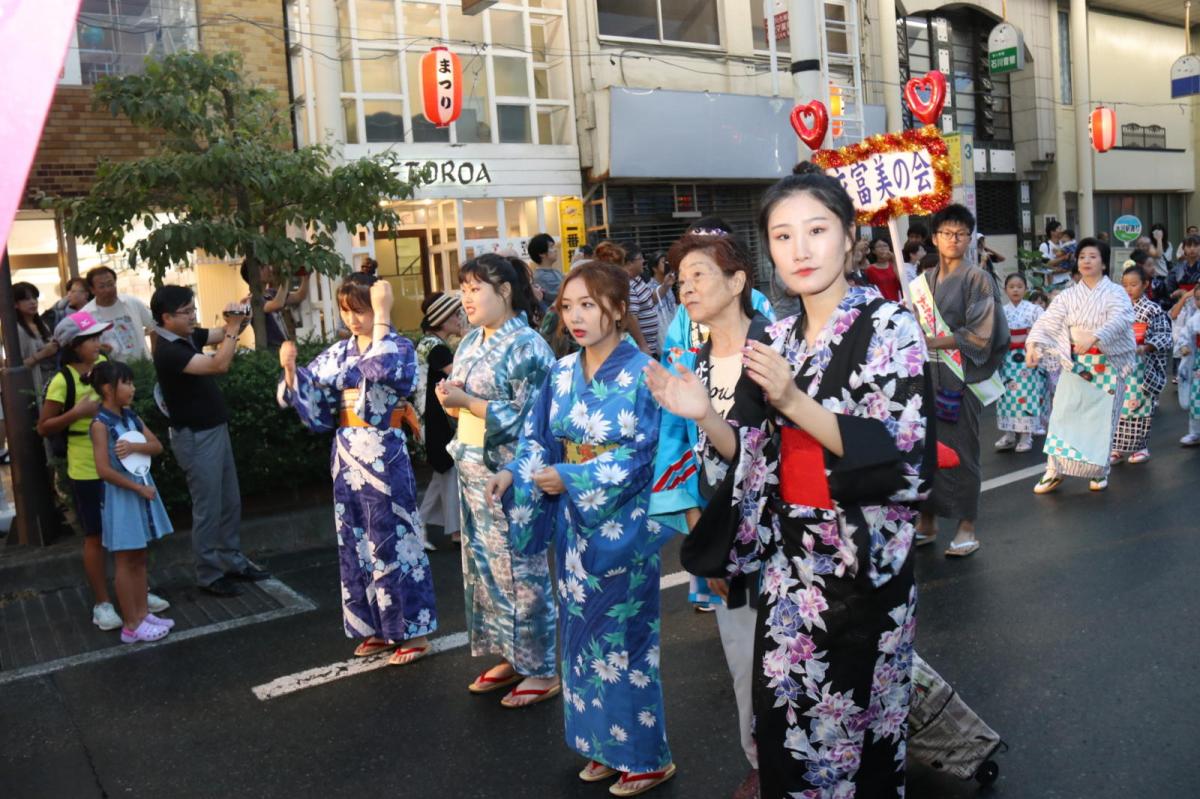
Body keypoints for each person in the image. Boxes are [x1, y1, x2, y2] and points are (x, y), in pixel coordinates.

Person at [654, 162, 927, 798]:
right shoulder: (775, 336)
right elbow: (752, 454)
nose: (799, 250)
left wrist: (795, 400)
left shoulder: (889, 326)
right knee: (787, 737)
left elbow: (902, 455)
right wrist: (707, 416)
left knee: (857, 740)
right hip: (788, 572)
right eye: (782, 236)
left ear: (850, 236)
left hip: (860, 571)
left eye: (816, 230)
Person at [491, 261, 678, 797]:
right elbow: (536, 440)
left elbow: (645, 453)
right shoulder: (561, 372)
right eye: (568, 306)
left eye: (588, 305)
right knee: (582, 643)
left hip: (622, 524)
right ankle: (602, 747)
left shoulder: (645, 373)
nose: (575, 317)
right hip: (576, 525)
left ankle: (645, 756)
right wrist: (514, 473)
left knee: (625, 643)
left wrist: (571, 476)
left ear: (618, 309)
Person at [646, 228, 771, 799]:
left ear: (739, 281)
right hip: (727, 539)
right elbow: (677, 454)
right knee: (744, 657)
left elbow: (781, 453)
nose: (685, 286)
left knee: (808, 657)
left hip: (789, 536)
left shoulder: (776, 348)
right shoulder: (688, 361)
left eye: (700, 274)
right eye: (681, 277)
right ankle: (762, 760)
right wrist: (707, 546)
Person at [279, 276, 436, 663]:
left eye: (361, 309)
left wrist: (382, 313)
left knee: (394, 539)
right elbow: (312, 400)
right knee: (356, 542)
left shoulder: (399, 346)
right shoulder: (339, 352)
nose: (353, 319)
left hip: (385, 452)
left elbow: (383, 368)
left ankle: (412, 632)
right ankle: (377, 627)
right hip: (347, 453)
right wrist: (290, 371)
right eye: (347, 310)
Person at [437, 253, 559, 707]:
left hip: (511, 473)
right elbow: (465, 403)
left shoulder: (527, 346)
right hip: (472, 468)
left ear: (504, 291)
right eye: (463, 290)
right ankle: (511, 655)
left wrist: (468, 401)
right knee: (484, 569)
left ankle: (541, 666)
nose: (466, 299)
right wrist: (453, 401)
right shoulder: (470, 343)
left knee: (520, 569)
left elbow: (536, 419)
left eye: (476, 289)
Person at [37, 311, 170, 630]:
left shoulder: (104, 373)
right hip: (87, 469)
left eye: (98, 337)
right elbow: (43, 426)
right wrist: (76, 413)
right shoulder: (62, 379)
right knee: (96, 536)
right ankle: (103, 603)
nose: (98, 343)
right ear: (74, 345)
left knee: (132, 533)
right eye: (92, 338)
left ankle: (138, 594)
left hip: (123, 467)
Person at [151, 285, 268, 596]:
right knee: (208, 508)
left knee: (230, 501)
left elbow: (221, 334)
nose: (193, 316)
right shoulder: (168, 350)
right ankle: (209, 574)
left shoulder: (184, 336)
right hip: (195, 437)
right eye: (186, 312)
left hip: (213, 429)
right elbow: (219, 364)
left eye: (193, 309)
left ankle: (232, 560)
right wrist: (232, 328)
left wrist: (239, 316)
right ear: (166, 318)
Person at [914, 204, 1008, 558]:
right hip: (927, 377)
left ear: (970, 239)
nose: (954, 240)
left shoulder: (977, 278)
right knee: (925, 451)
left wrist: (934, 342)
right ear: (935, 238)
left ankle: (967, 525)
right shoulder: (923, 282)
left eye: (961, 234)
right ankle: (927, 520)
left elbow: (981, 333)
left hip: (961, 377)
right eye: (947, 233)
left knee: (961, 452)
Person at [1027, 238, 1136, 493]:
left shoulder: (1115, 292)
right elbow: (1048, 321)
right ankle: (1054, 470)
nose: (1086, 261)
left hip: (1107, 364)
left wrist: (1096, 336)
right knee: (1063, 416)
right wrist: (1034, 345)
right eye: (1082, 256)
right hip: (1076, 364)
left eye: (1093, 256)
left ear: (1104, 262)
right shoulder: (1068, 295)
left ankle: (1099, 471)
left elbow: (1122, 317)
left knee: (1101, 420)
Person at [87, 359, 175, 643]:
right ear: (107, 389)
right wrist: (137, 490)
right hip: (123, 496)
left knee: (139, 556)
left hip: (140, 490)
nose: (132, 388)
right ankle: (132, 623)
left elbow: (157, 446)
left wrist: (136, 446)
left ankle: (141, 612)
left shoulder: (131, 417)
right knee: (125, 559)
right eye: (126, 383)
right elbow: (103, 470)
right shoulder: (99, 425)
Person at [414, 291, 465, 548]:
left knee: (441, 474)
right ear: (442, 319)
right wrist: (469, 339)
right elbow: (458, 374)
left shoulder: (429, 343)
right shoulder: (436, 347)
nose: (460, 318)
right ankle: (457, 532)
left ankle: (418, 526)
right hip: (437, 421)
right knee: (448, 469)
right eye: (455, 314)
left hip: (431, 419)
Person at [1111, 265, 1172, 464]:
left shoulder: (1153, 309)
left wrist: (1146, 347)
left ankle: (1141, 447)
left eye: (1134, 284)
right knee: (1117, 404)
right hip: (1120, 364)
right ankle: (1116, 448)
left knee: (1140, 406)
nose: (1128, 289)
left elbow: (1165, 337)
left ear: (1145, 285)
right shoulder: (1117, 308)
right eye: (1125, 285)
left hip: (1143, 366)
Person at [995, 273, 1045, 453]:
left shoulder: (1034, 310)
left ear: (1026, 289)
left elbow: (1042, 332)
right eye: (1011, 287)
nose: (1015, 290)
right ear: (1005, 290)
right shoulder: (1001, 311)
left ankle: (1026, 436)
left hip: (1027, 356)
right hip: (1007, 359)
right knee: (1006, 396)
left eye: (1019, 286)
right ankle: (1009, 434)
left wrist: (1036, 351)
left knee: (1027, 396)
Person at [82, 267, 155, 361]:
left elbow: (155, 324)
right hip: (111, 371)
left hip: (144, 366)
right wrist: (100, 349)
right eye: (102, 286)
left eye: (110, 284)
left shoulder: (131, 302)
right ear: (92, 290)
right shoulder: (86, 315)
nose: (108, 290)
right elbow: (84, 347)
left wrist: (155, 353)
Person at [593, 242, 654, 355]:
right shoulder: (618, 285)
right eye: (623, 264)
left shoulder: (605, 284)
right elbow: (630, 316)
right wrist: (643, 345)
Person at [241, 260, 310, 350]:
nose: (269, 269)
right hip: (271, 352)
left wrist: (306, 277)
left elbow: (299, 296)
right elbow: (278, 304)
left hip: (283, 348)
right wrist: (285, 275)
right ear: (253, 275)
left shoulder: (271, 293)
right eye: (263, 268)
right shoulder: (252, 300)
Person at [13, 282, 59, 394]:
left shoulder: (42, 324)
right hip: (34, 386)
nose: (33, 302)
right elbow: (16, 367)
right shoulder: (17, 330)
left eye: (34, 298)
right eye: (26, 299)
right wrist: (43, 353)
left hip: (53, 380)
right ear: (15, 304)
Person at [1174, 285, 1200, 446]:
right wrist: (1183, 346)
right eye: (1197, 298)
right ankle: (1195, 432)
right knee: (1195, 398)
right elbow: (1184, 335)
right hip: (1198, 361)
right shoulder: (1194, 318)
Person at [528, 233, 563, 308]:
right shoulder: (540, 276)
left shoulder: (555, 271)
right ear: (541, 253)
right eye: (551, 247)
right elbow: (564, 292)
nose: (555, 250)